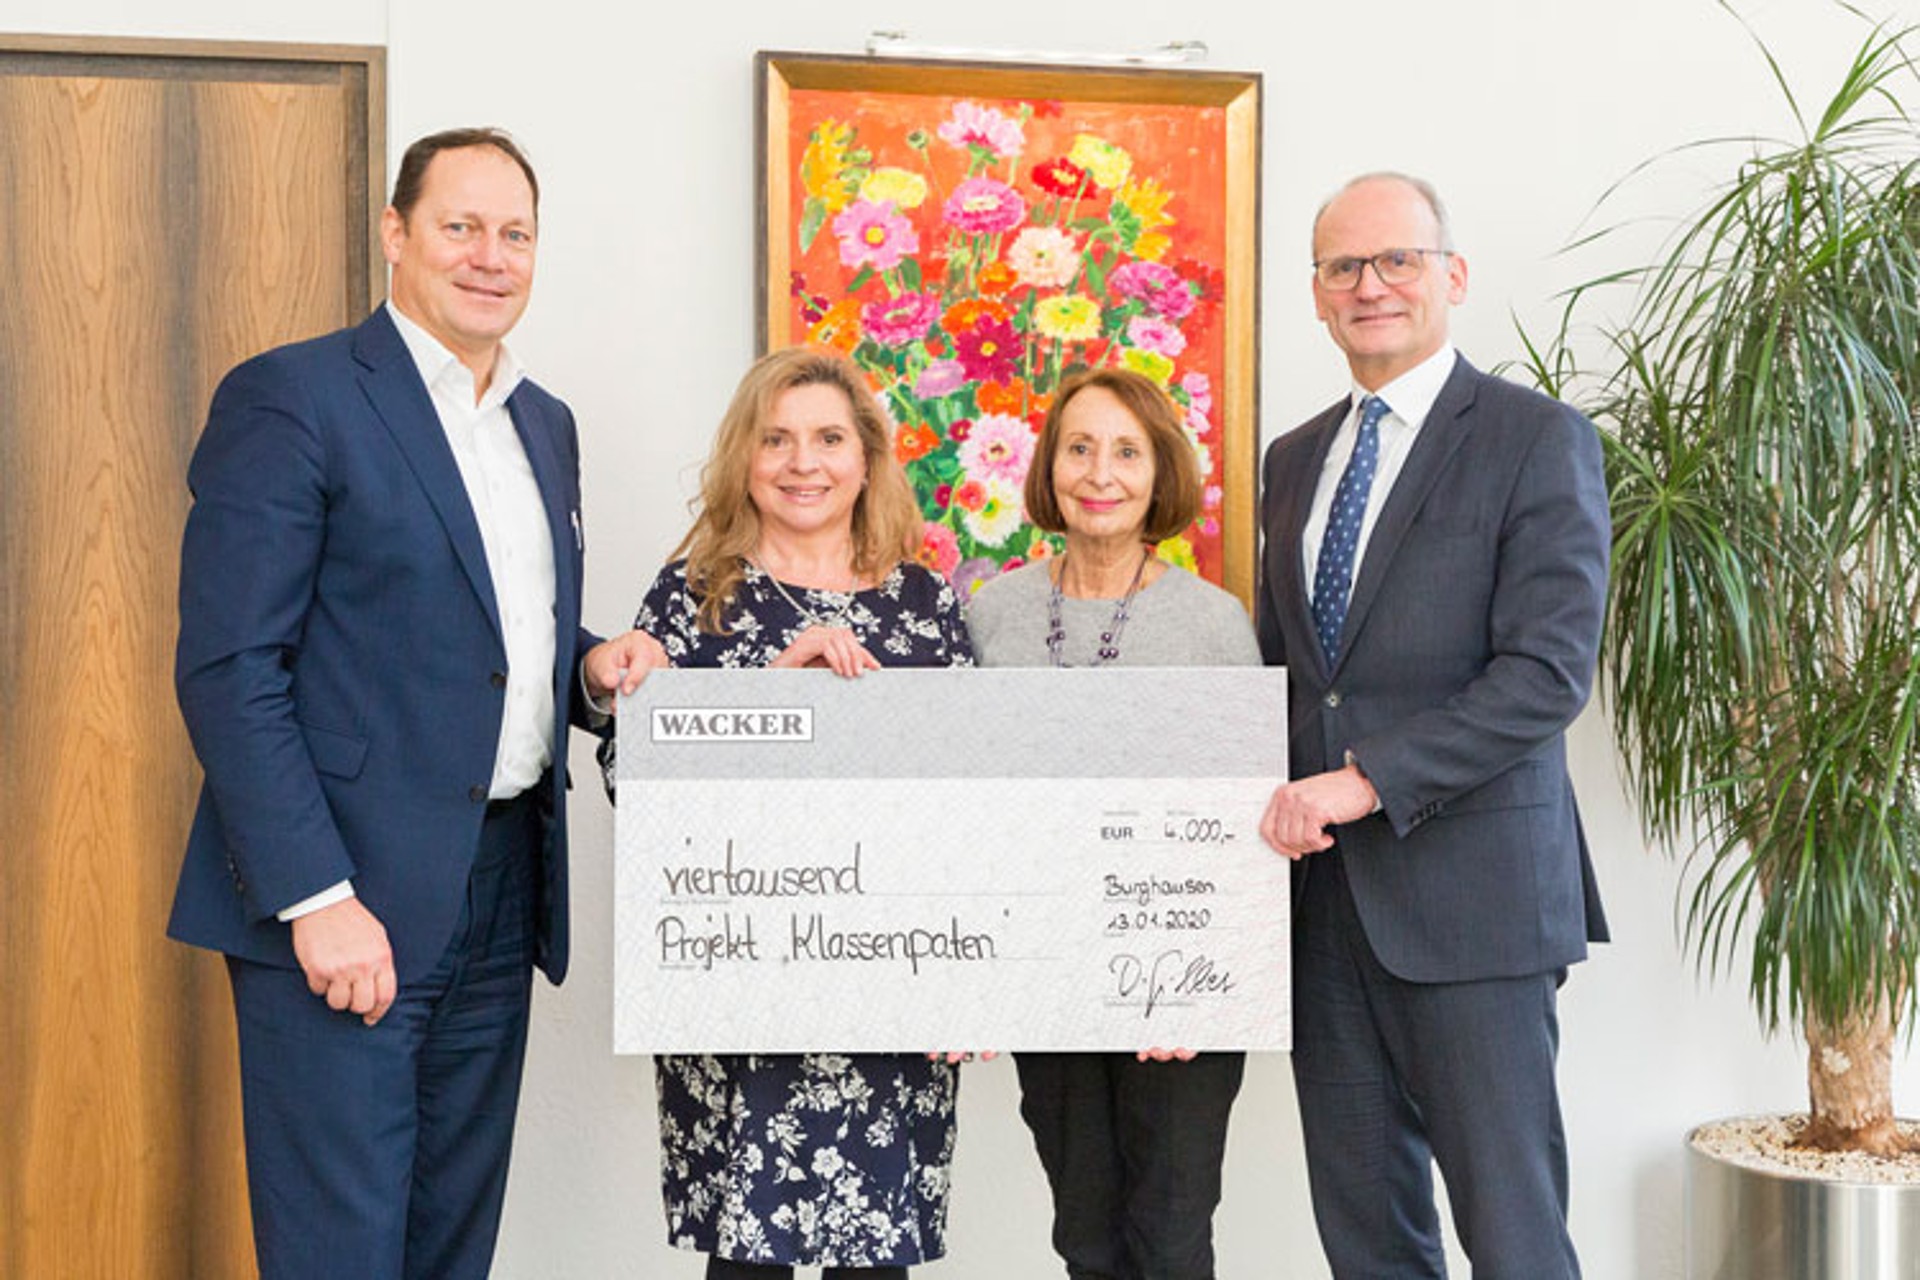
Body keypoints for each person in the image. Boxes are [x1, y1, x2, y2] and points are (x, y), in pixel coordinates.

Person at [169, 127, 659, 1279]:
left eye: (515, 233)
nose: (490, 256)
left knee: (451, 1247)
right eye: (460, 226)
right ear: (396, 233)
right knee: (339, 1250)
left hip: (502, 885)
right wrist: (316, 896)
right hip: (347, 890)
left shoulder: (544, 422)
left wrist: (590, 669)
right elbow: (232, 667)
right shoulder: (294, 398)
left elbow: (490, 630)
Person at [1255, 171, 1610, 1278]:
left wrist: (1365, 779)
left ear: (1451, 276)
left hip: (1476, 905)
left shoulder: (1535, 438)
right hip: (1323, 912)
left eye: (1397, 260)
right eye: (1343, 267)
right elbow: (1289, 677)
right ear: (1317, 293)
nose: (1371, 285)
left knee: (1513, 1235)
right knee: (1367, 1237)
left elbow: (1547, 673)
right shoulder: (1292, 460)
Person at [598, 347, 972, 1280]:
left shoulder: (923, 601)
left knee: (874, 1263)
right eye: (776, 440)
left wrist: (974, 980)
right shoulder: (691, 596)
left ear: (867, 458)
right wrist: (771, 695)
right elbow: (631, 776)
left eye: (829, 439)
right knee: (747, 1262)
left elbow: (970, 803)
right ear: (745, 457)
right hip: (740, 989)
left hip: (890, 990)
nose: (804, 463)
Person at [967, 367, 1259, 1280]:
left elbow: (1245, 821)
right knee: (1085, 1236)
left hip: (1180, 989)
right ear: (1048, 467)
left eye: (1127, 452)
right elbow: (966, 805)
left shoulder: (1215, 625)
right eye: (1080, 448)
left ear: (1159, 472)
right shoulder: (992, 614)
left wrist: (1205, 986)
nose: (1101, 473)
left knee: (1169, 1239)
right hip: (1047, 977)